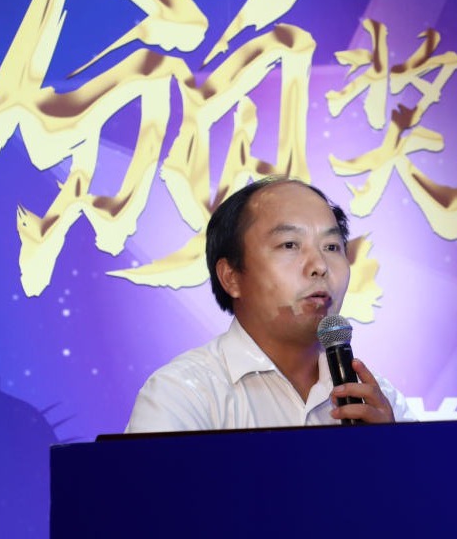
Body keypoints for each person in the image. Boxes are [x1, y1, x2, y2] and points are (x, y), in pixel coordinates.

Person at [126, 177, 415, 432]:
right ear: (231, 277)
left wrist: (391, 450)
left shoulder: (376, 400)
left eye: (331, 247)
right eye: (289, 245)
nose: (320, 266)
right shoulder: (183, 395)